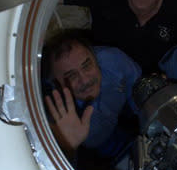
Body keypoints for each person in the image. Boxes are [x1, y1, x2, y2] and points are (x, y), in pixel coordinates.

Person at [41, 29, 141, 161]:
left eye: (86, 65)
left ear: (96, 58)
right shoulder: (52, 118)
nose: (85, 80)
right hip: (95, 153)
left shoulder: (115, 61)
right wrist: (68, 146)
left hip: (128, 120)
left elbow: (139, 88)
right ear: (56, 84)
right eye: (71, 75)